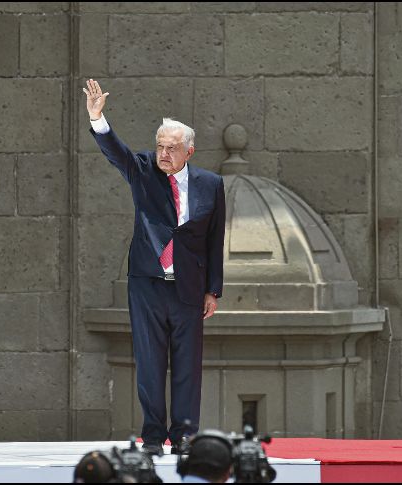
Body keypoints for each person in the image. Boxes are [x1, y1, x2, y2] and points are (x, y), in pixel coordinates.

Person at [83, 79, 226, 456]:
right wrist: (98, 119)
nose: (163, 153)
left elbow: (214, 239)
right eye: (160, 145)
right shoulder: (143, 170)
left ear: (188, 151)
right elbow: (119, 154)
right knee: (148, 361)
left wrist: (213, 289)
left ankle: (183, 434)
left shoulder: (211, 184)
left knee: (187, 365)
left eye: (171, 148)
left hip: (189, 287)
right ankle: (151, 435)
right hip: (147, 283)